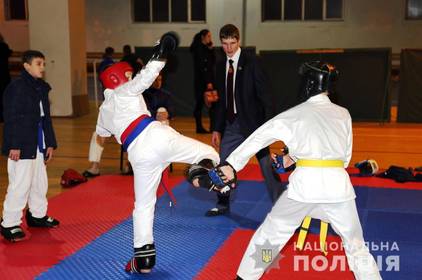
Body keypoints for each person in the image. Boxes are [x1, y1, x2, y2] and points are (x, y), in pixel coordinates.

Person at [213, 61, 381, 280]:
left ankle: (245, 278)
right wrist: (294, 158)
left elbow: (259, 137)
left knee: (271, 236)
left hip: (305, 189)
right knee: (356, 245)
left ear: (309, 84)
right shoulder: (343, 114)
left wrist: (232, 164)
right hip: (339, 188)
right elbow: (343, 157)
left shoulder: (294, 114)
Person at [94, 32, 220, 274]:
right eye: (127, 75)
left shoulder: (103, 109)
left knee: (143, 205)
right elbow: (145, 78)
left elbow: (102, 133)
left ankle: (144, 257)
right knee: (209, 153)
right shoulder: (125, 91)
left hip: (138, 155)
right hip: (156, 136)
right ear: (117, 78)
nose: (130, 78)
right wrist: (161, 54)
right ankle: (199, 171)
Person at [206, 24, 283, 216]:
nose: (229, 48)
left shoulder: (253, 62)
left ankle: (282, 207)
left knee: (266, 166)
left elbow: (267, 96)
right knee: (223, 163)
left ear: (238, 41)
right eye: (225, 44)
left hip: (254, 126)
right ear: (220, 43)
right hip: (231, 125)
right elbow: (222, 101)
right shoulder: (219, 65)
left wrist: (270, 126)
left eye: (232, 43)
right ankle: (223, 203)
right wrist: (216, 128)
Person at [1, 50, 60, 242]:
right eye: (38, 63)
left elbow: (46, 119)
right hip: (22, 143)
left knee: (39, 182)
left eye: (43, 63)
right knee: (20, 184)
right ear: (26, 66)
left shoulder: (41, 88)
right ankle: (9, 223)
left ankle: (37, 215)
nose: (42, 67)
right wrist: (15, 145)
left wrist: (50, 142)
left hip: (38, 143)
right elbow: (12, 118)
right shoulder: (16, 88)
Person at [82, 73, 173, 177]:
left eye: (160, 80)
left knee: (163, 113)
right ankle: (95, 167)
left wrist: (167, 113)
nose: (157, 83)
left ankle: (156, 165)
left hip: (147, 124)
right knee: (97, 134)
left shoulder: (166, 95)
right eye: (155, 80)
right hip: (128, 123)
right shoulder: (139, 92)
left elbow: (171, 109)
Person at [190, 29, 216, 133]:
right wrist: (208, 81)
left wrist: (211, 49)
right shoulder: (198, 49)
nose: (210, 38)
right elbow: (203, 67)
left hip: (208, 80)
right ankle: (199, 127)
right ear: (203, 37)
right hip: (202, 82)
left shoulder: (206, 48)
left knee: (212, 103)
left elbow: (213, 62)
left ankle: (213, 127)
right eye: (208, 36)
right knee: (200, 104)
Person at [0, 33, 12, 122]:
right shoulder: (4, 46)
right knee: (4, 96)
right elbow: (9, 52)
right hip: (4, 75)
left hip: (3, 75)